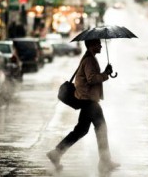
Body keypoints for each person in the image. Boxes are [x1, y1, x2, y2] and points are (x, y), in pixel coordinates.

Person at [47, 39, 120, 172]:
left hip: (88, 99)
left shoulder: (89, 58)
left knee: (81, 130)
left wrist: (105, 72)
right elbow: (92, 78)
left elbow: (91, 77)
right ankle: (105, 161)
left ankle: (56, 153)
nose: (101, 46)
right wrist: (105, 74)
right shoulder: (89, 60)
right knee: (101, 129)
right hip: (89, 100)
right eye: (98, 44)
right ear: (92, 46)